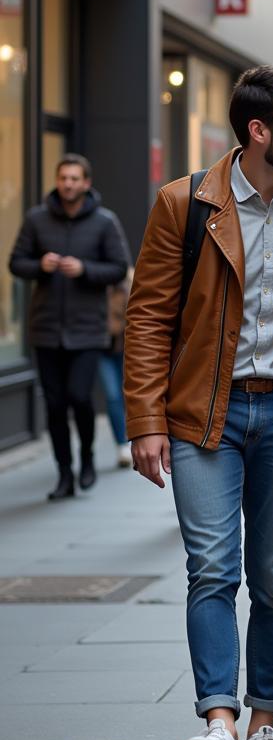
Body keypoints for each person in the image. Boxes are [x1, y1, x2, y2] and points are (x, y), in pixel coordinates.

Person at [124, 66, 273, 740]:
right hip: (203, 414)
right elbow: (150, 315)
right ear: (260, 133)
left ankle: (263, 729)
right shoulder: (183, 204)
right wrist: (146, 421)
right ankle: (218, 725)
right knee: (212, 571)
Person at [9, 154, 130, 499]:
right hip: (45, 328)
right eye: (63, 178)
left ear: (86, 183)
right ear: (57, 180)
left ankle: (88, 458)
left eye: (75, 178)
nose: (68, 184)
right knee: (55, 404)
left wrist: (85, 270)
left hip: (88, 329)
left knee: (79, 397)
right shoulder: (36, 219)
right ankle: (65, 473)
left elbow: (119, 268)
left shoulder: (105, 222)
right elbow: (16, 263)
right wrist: (40, 265)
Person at [98, 271, 133, 468]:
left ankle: (134, 436)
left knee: (129, 395)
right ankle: (121, 444)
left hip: (126, 349)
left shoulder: (127, 285)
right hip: (103, 350)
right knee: (112, 396)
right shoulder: (95, 288)